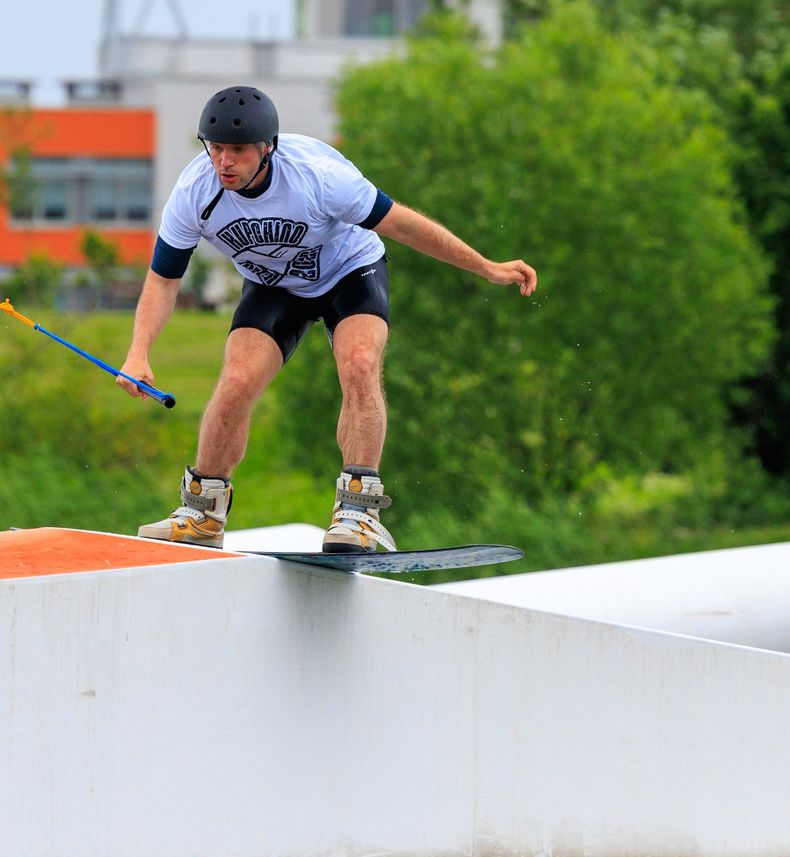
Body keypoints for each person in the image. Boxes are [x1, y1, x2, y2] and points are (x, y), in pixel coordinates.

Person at [120, 85, 536, 552]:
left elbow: (405, 226)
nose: (224, 163)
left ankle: (358, 513)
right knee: (236, 380)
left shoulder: (318, 177)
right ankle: (203, 511)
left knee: (359, 363)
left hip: (349, 271)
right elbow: (163, 281)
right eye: (215, 148)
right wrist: (138, 354)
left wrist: (486, 267)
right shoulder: (194, 191)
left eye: (238, 151)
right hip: (275, 286)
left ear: (267, 148)